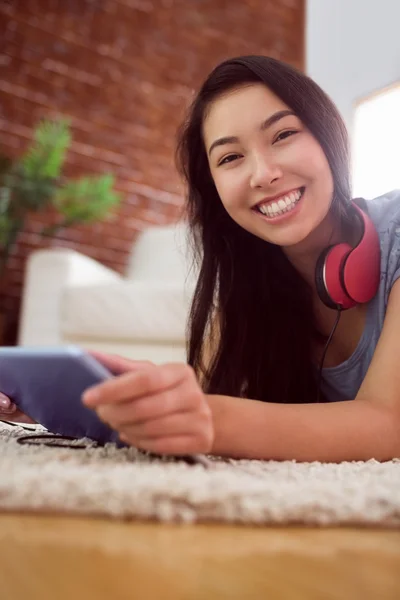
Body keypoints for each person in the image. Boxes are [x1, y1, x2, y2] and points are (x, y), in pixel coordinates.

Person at [1, 55, 400, 462]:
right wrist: (89, 405)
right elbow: (214, 399)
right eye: (230, 158)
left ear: (330, 135)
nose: (262, 174)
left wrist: (210, 421)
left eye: (282, 135)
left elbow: (390, 427)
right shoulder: (251, 285)